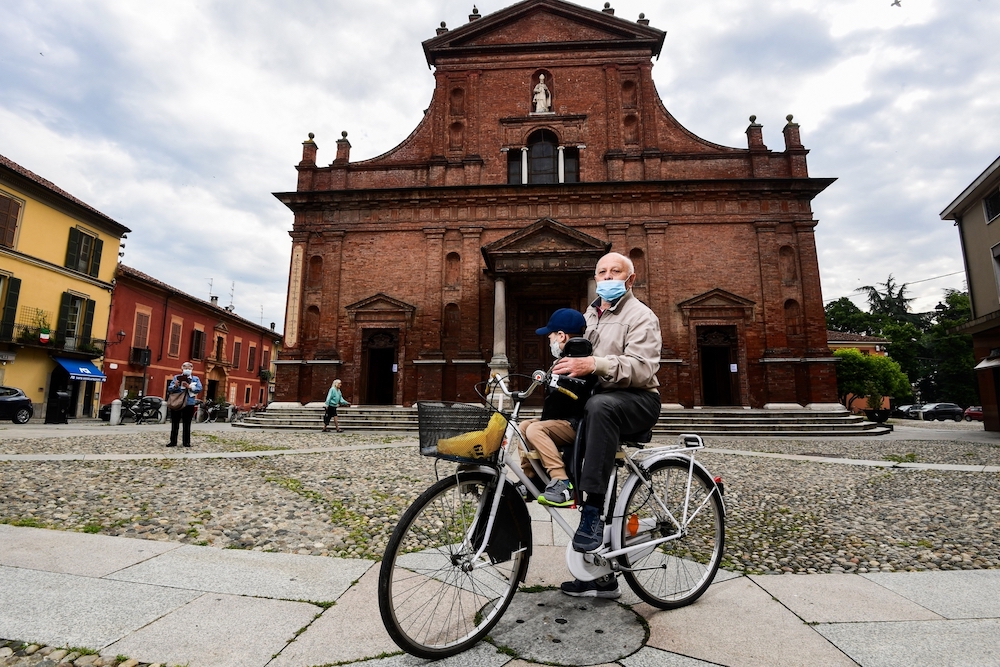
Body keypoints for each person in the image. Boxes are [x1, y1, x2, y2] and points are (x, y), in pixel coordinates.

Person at [552, 252, 662, 598]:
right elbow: (582, 358)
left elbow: (643, 369)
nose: (607, 276)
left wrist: (595, 364)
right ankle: (600, 576)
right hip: (601, 401)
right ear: (596, 278)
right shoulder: (590, 314)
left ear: (630, 279)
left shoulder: (641, 315)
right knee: (557, 413)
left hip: (637, 399)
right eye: (602, 272)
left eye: (616, 271)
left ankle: (594, 510)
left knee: (598, 407)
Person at [519, 308, 595, 507]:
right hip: (565, 421)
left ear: (561, 335)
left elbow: (563, 403)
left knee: (536, 428)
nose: (549, 340)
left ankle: (562, 482)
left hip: (576, 425)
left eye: (550, 335)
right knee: (524, 427)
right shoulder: (566, 360)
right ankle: (531, 480)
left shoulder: (576, 363)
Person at [167, 362, 202, 447]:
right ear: (182, 368)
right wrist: (175, 386)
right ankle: (173, 441)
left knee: (187, 423)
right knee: (175, 423)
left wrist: (190, 387)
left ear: (192, 369)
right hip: (177, 402)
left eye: (189, 368)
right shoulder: (176, 377)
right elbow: (169, 388)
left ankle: (186, 442)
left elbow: (199, 388)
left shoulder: (195, 379)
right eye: (185, 368)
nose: (187, 370)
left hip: (189, 403)